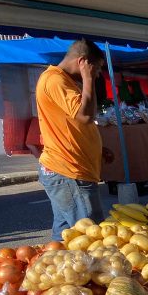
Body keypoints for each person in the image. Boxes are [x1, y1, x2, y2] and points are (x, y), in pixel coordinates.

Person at [36, 39, 114, 242]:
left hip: (71, 170)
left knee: (64, 238)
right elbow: (85, 117)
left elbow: (79, 120)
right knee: (91, 238)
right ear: (82, 62)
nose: (98, 74)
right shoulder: (55, 80)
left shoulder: (65, 81)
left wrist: (96, 148)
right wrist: (88, 80)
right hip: (69, 170)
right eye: (96, 68)